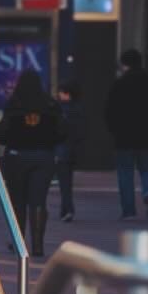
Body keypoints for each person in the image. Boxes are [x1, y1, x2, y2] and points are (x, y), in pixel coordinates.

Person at [0, 69, 62, 257]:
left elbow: (0, 132)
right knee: (38, 200)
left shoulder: (14, 104)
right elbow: (62, 131)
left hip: (17, 156)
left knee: (18, 201)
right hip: (43, 156)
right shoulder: (50, 104)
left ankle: (19, 242)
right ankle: (38, 245)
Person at [105, 49, 148, 219]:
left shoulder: (119, 84)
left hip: (124, 136)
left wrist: (114, 129)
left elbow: (110, 111)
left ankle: (128, 211)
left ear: (124, 64)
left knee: (125, 173)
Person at [55, 81, 86, 222]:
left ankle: (67, 209)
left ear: (67, 94)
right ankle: (66, 209)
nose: (58, 94)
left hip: (62, 148)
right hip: (72, 149)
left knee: (64, 182)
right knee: (67, 181)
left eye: (61, 92)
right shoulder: (78, 109)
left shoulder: (61, 109)